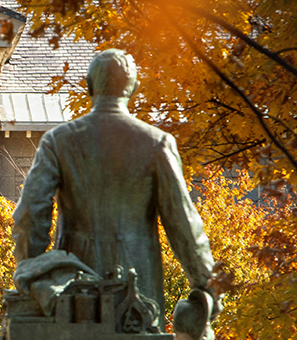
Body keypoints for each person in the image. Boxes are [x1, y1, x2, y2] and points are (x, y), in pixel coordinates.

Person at [11, 48, 216, 318]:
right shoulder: (157, 143)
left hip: (74, 291)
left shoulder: (58, 141)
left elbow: (29, 215)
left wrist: (33, 272)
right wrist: (207, 286)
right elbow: (184, 225)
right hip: (140, 287)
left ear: (88, 86)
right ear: (134, 89)